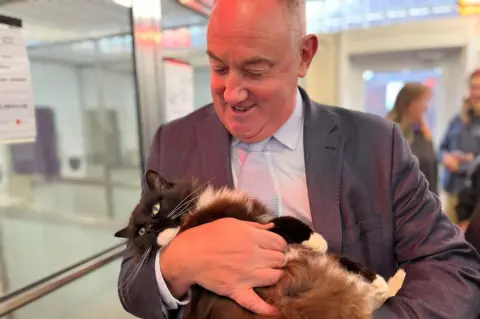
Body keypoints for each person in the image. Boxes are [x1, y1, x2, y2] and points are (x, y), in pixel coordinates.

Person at [118, 0, 480, 318]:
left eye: (255, 70)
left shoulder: (376, 145)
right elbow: (132, 284)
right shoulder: (174, 140)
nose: (231, 93)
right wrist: (180, 262)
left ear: (304, 55)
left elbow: (452, 267)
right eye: (218, 68)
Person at [439, 72, 480, 226]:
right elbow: (442, 147)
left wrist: (463, 164)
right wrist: (445, 157)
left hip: (474, 197)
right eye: (473, 87)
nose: (476, 93)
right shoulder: (457, 119)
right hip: (452, 191)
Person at [387, 82, 438, 195]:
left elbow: (431, 170)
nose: (426, 107)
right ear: (408, 104)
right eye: (423, 101)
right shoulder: (390, 132)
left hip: (426, 202)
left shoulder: (422, 132)